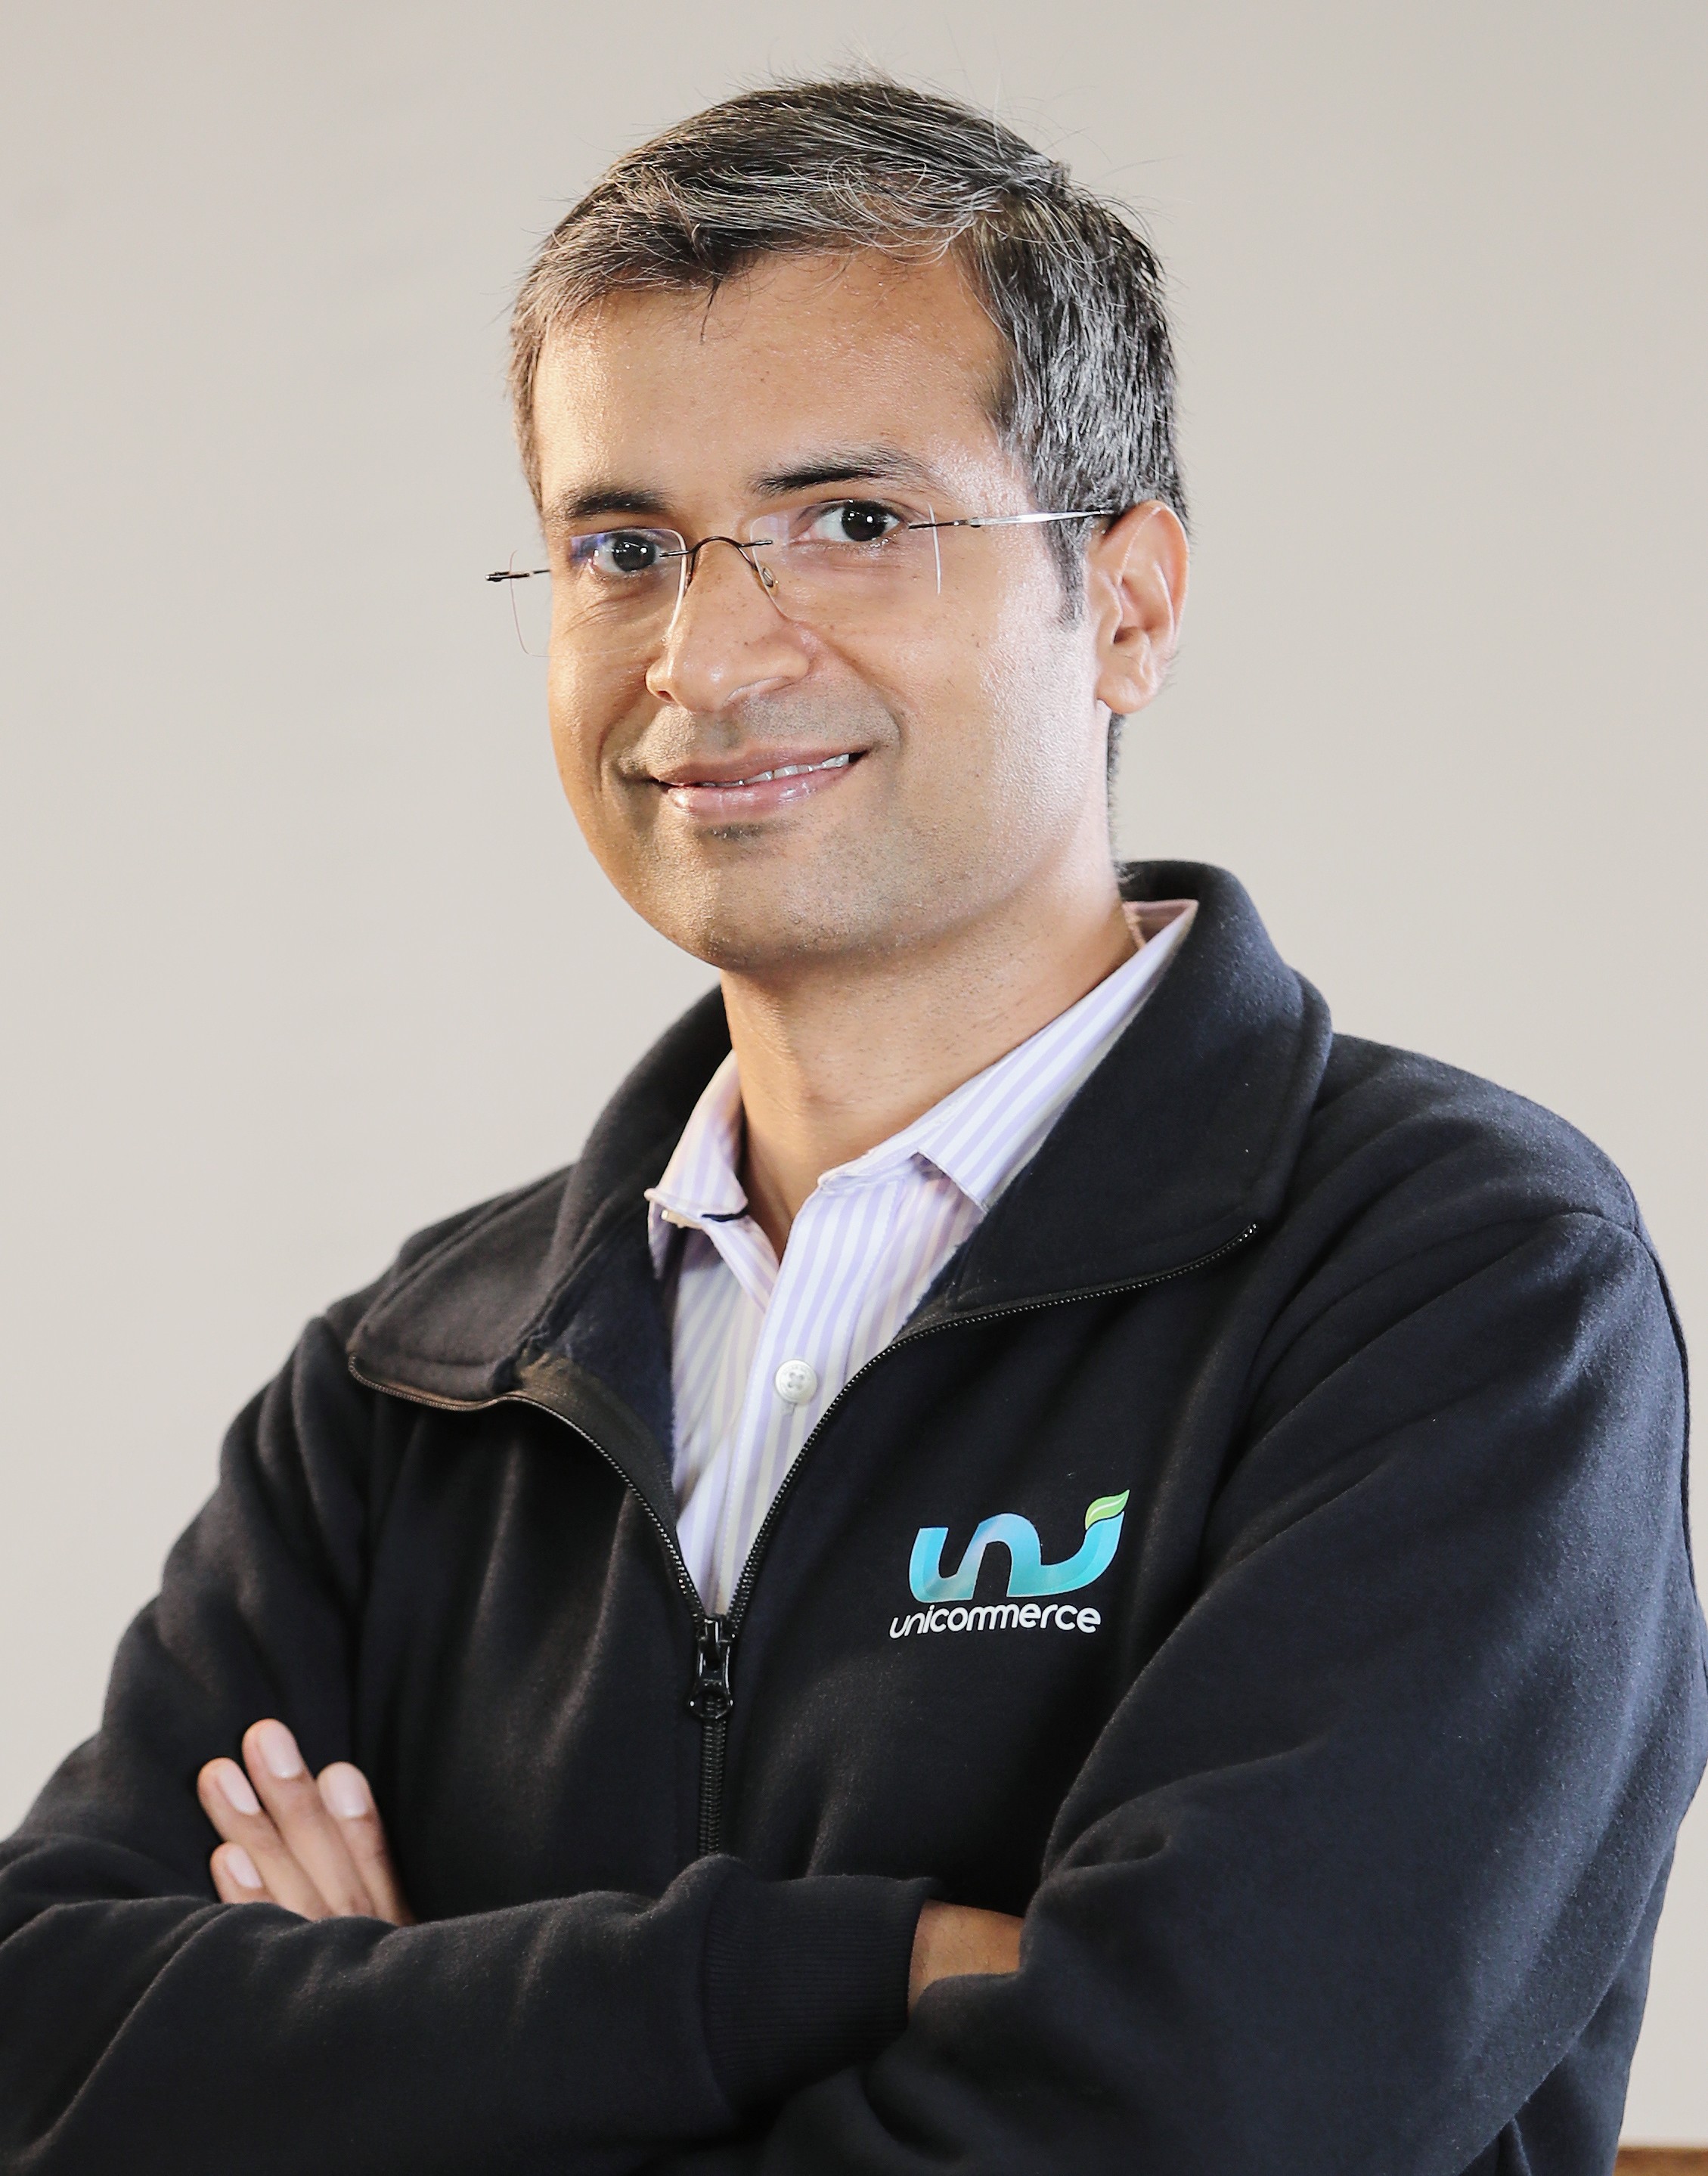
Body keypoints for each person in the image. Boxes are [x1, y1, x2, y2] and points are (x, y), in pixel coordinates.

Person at [1, 73, 1701, 2176]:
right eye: (621, 549)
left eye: (856, 523)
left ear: (1129, 604)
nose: (706, 658)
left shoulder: (1460, 1287)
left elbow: (1202, 2124)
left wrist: (404, 2043)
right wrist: (826, 1971)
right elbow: (48, 2049)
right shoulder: (411, 1389)